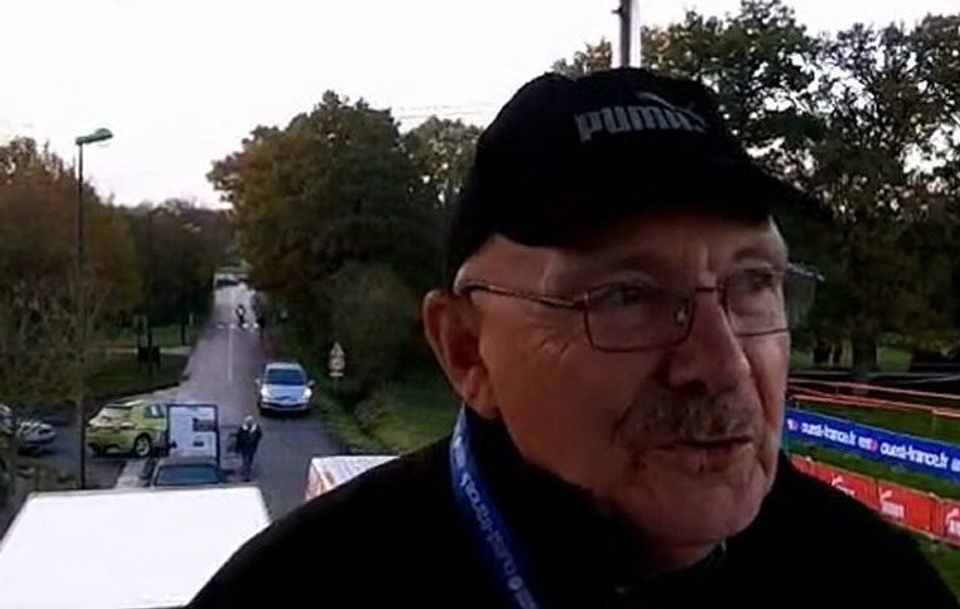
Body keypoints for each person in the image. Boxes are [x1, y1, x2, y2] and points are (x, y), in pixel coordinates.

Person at [190, 69, 955, 607]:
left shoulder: (871, 578)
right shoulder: (288, 592)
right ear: (467, 352)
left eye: (753, 284)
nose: (721, 366)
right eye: (626, 297)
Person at [234, 415, 262, 482]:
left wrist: (255, 441)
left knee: (249, 459)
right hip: (244, 447)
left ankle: (246, 469)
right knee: (246, 459)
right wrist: (237, 447)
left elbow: (259, 435)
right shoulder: (242, 429)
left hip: (251, 447)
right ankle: (246, 473)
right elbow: (238, 438)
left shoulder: (256, 429)